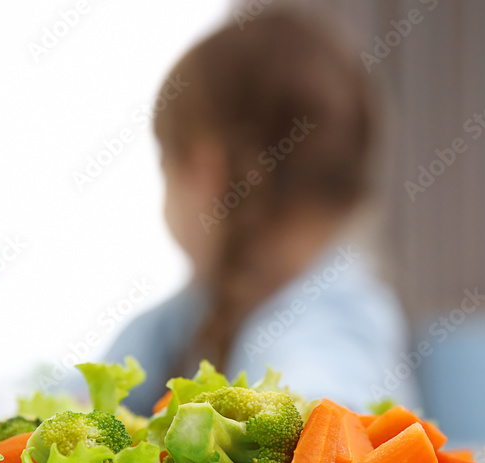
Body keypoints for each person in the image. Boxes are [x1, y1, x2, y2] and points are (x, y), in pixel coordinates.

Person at [104, 11, 419, 416]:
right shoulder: (191, 313)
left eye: (165, 168)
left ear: (205, 172)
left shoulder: (336, 326)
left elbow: (321, 428)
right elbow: (80, 396)